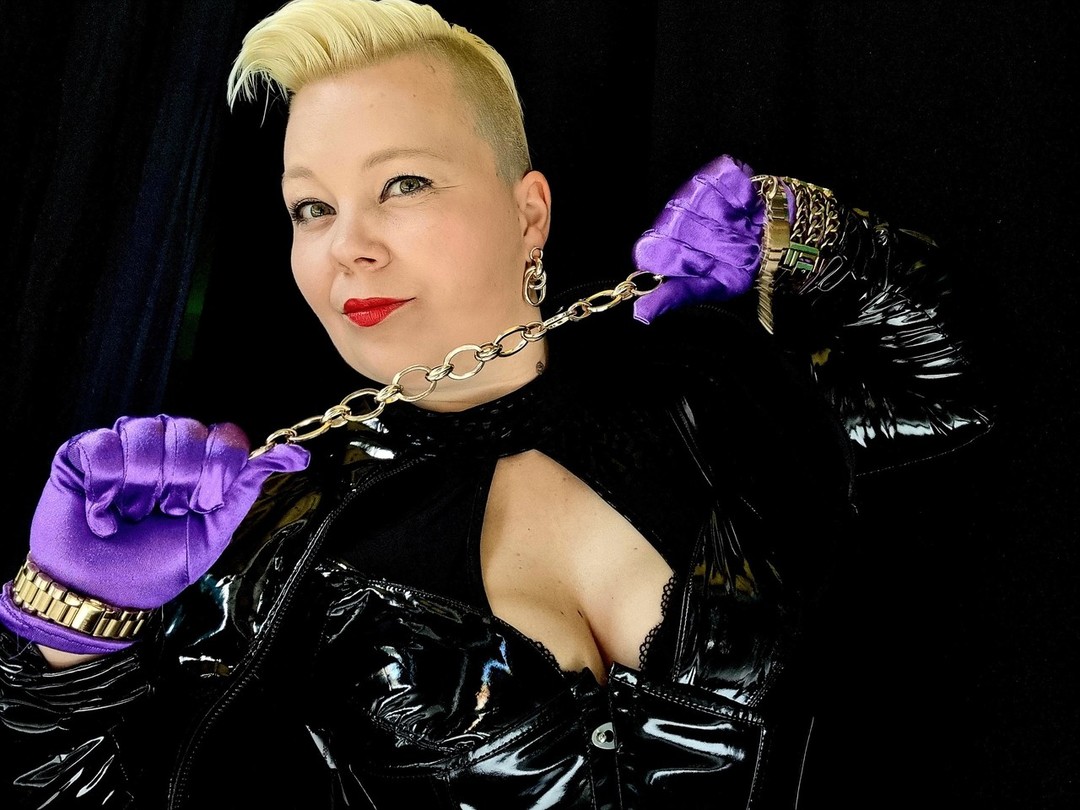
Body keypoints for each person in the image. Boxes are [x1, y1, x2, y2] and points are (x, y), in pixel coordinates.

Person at [0, 0, 994, 807]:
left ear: (530, 213)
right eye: (312, 207)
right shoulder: (268, 537)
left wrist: (793, 231)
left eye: (402, 184)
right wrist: (67, 630)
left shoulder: (709, 396)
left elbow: (954, 389)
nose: (349, 246)